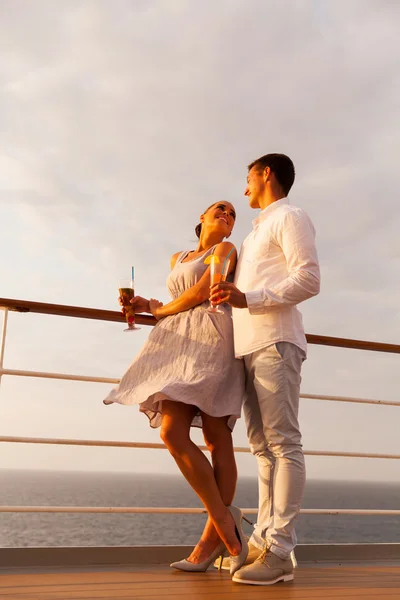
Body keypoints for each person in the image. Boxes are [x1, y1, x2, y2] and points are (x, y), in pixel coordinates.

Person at [103, 201, 248, 574]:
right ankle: (224, 522)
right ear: (201, 217)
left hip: (214, 335)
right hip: (178, 343)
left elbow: (202, 292)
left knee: (217, 436)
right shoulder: (177, 256)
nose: (227, 215)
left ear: (231, 229)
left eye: (232, 214)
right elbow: (176, 301)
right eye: (220, 209)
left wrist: (160, 310)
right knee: (172, 431)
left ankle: (210, 541)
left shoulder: (226, 250)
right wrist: (146, 304)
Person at [210, 153, 320, 586]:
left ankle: (280, 551)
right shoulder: (258, 232)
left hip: (276, 341)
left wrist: (247, 299)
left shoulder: (290, 216)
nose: (243, 190)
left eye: (247, 179)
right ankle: (262, 540)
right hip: (250, 346)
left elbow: (309, 279)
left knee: (283, 444)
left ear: (265, 174)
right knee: (261, 448)